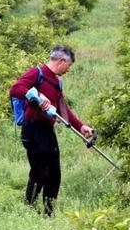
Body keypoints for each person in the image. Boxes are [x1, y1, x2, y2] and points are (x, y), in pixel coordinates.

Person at [9, 45, 93, 217]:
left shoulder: (57, 82)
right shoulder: (37, 73)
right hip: (33, 128)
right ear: (62, 61)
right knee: (40, 172)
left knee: (54, 174)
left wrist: (81, 126)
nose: (68, 70)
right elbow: (15, 89)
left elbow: (63, 108)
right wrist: (37, 97)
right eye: (69, 66)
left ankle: (49, 214)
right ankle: (29, 210)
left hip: (47, 130)